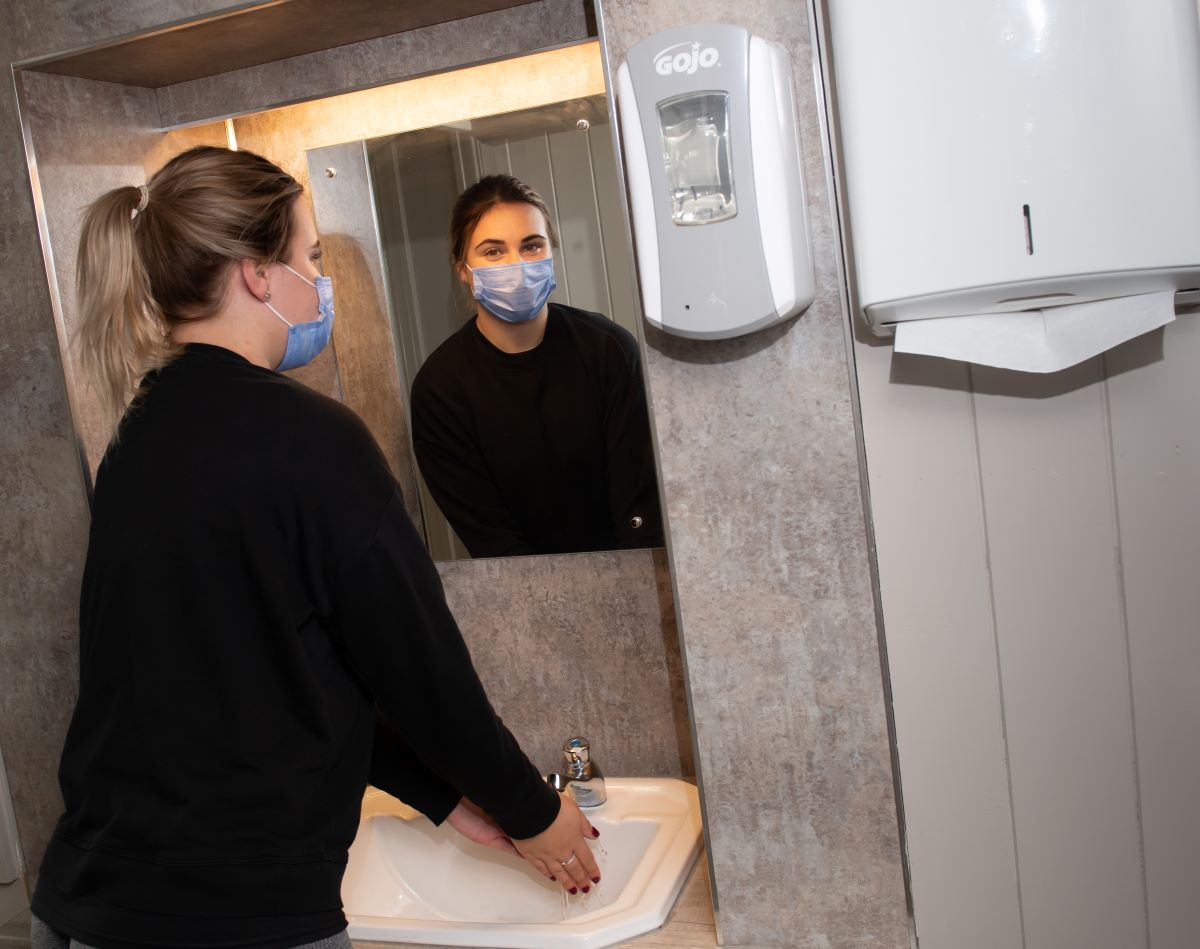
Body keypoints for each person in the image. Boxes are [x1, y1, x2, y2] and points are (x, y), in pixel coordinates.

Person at [30, 146, 600, 949]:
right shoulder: (313, 438)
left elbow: (262, 674)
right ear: (258, 274)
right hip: (235, 918)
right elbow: (416, 668)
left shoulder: (139, 436)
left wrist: (446, 796)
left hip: (86, 900)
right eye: (311, 258)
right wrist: (532, 810)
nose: (319, 281)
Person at [409, 174, 664, 558]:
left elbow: (641, 506)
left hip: (633, 574)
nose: (517, 264)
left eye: (531, 246)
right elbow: (489, 537)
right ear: (463, 268)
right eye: (493, 252)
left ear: (551, 252)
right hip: (520, 591)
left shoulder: (608, 349)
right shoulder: (441, 389)